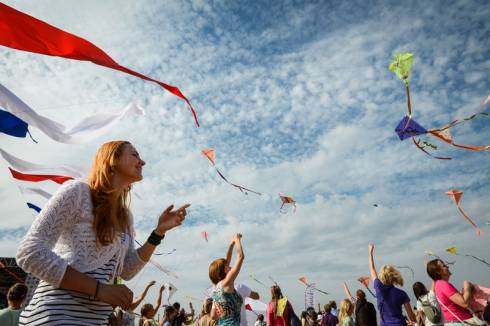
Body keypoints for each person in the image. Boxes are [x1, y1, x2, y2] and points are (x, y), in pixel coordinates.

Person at [16, 141, 189, 325]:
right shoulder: (77, 192)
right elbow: (29, 252)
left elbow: (127, 270)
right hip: (54, 317)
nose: (142, 161)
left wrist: (158, 233)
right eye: (135, 155)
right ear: (113, 159)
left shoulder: (126, 217)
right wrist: (99, 289)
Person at [368, 243, 416, 326]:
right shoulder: (402, 294)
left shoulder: (378, 288)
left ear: (382, 276)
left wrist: (370, 252)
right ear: (394, 276)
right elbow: (412, 317)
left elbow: (372, 269)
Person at [426, 259, 484, 325]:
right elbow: (464, 303)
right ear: (438, 272)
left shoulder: (438, 285)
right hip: (459, 322)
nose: (447, 267)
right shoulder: (443, 284)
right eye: (444, 266)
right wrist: (467, 286)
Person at [209, 233, 245, 325]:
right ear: (224, 270)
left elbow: (213, 315)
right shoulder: (226, 283)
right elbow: (240, 257)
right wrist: (237, 240)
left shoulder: (216, 288)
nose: (230, 266)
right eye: (227, 266)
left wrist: (231, 244)